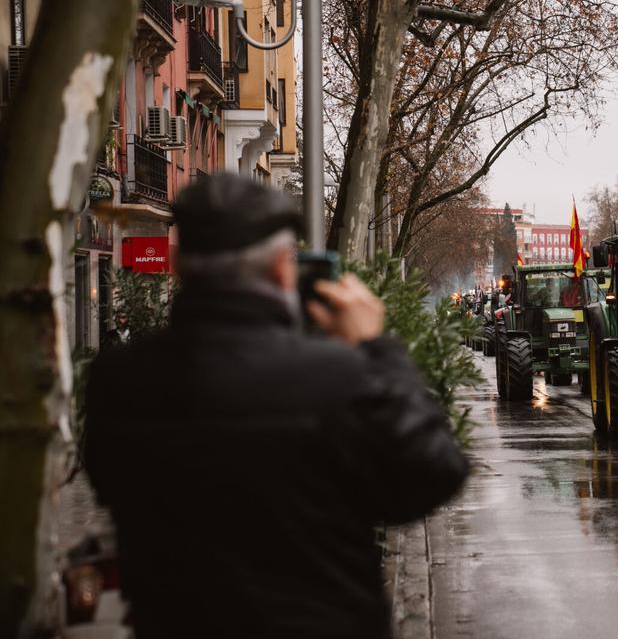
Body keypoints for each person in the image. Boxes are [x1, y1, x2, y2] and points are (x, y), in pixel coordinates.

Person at [83, 174, 468, 639]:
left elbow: (109, 483)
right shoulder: (337, 376)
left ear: (177, 263)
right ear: (284, 271)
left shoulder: (120, 379)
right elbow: (433, 474)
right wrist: (376, 347)